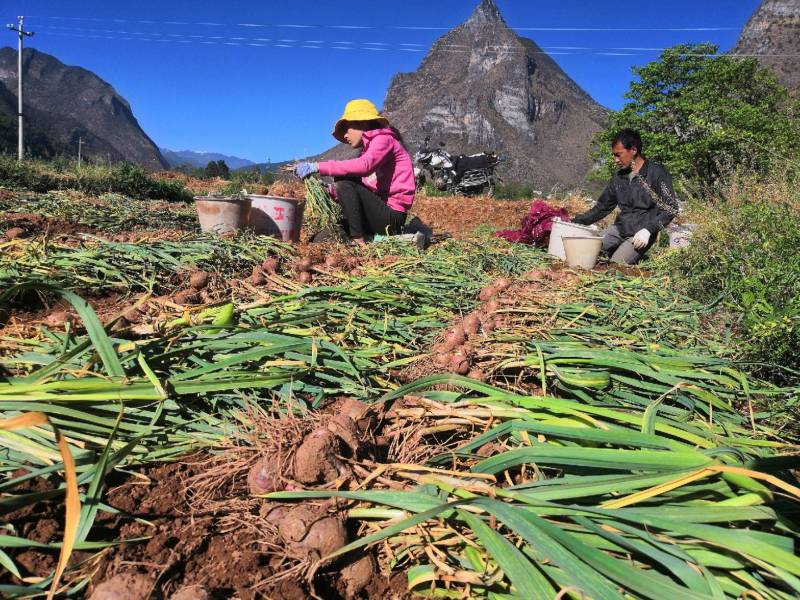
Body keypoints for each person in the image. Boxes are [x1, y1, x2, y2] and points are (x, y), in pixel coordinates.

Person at [294, 99, 416, 246]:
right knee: (319, 239)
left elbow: (364, 167)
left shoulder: (384, 139)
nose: (345, 135)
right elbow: (359, 192)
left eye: (347, 129)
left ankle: (358, 240)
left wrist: (317, 167)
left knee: (344, 179)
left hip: (390, 217)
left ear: (362, 123)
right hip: (374, 215)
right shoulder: (367, 151)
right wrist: (330, 191)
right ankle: (363, 236)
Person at [570, 129, 678, 264]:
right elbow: (602, 207)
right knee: (586, 253)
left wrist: (648, 230)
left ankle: (631, 257)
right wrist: (575, 222)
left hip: (639, 235)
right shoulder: (618, 177)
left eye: (618, 155)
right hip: (618, 229)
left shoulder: (658, 173)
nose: (615, 160)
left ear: (633, 150)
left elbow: (671, 208)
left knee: (615, 265)